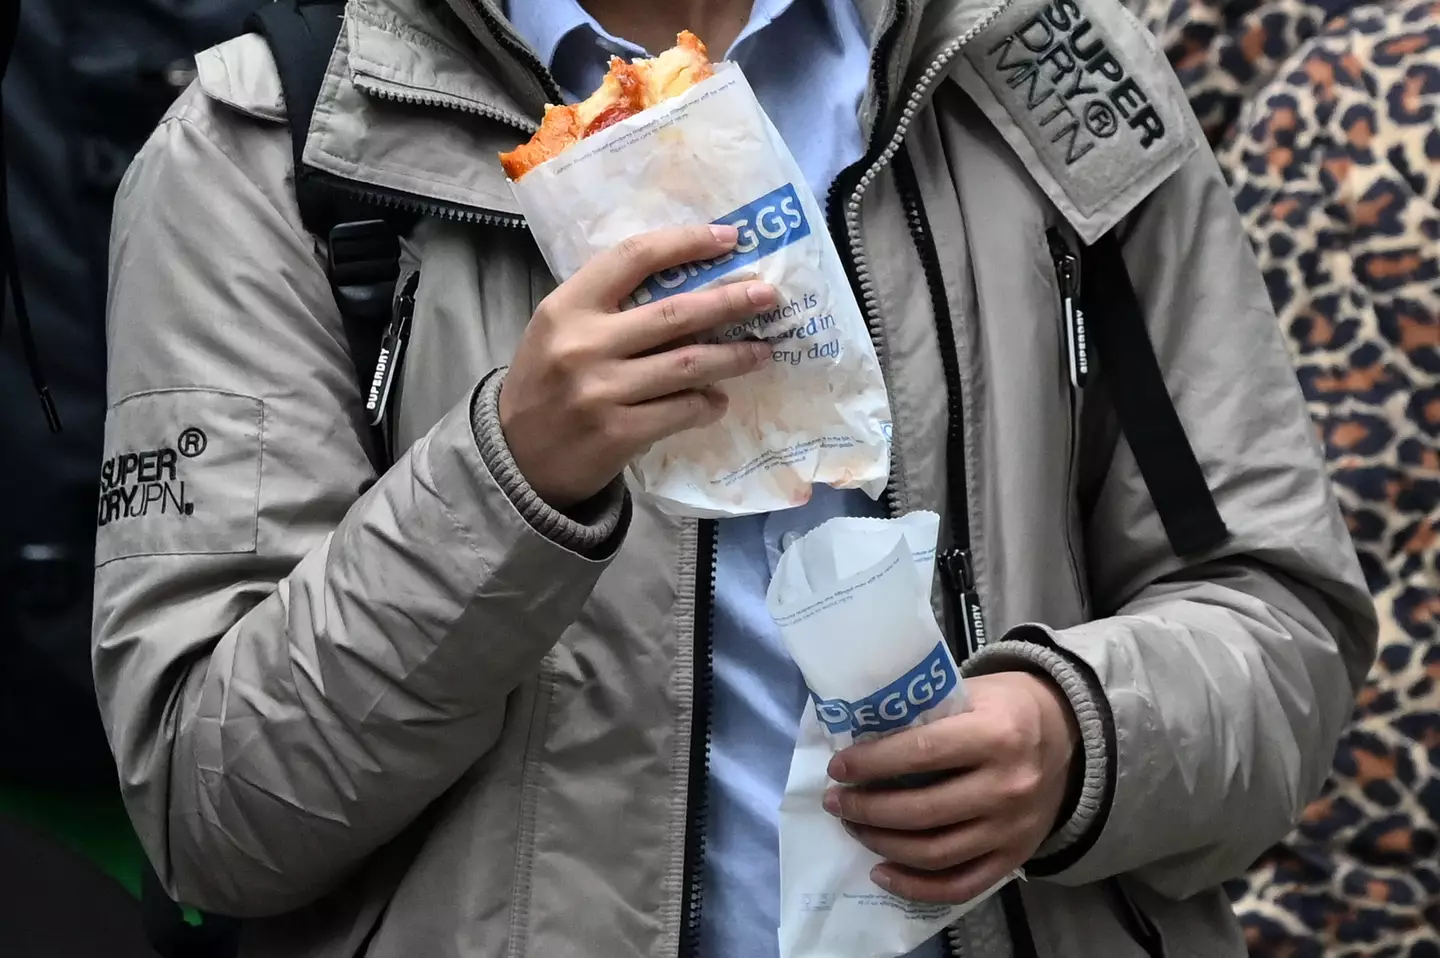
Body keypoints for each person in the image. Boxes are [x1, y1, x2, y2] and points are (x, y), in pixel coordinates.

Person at [92, 0, 1378, 955]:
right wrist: (513, 473)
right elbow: (217, 811)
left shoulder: (1037, 67)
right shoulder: (269, 146)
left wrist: (1076, 735)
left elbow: (1281, 619)